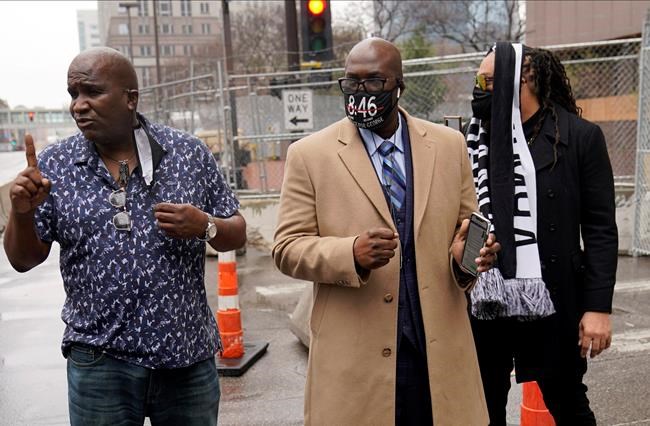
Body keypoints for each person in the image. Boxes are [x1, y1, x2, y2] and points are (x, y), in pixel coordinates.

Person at [3, 47, 246, 426]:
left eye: (92, 93)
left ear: (130, 98)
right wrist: (22, 213)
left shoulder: (188, 154)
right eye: (73, 95)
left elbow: (237, 232)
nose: (78, 106)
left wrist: (204, 226)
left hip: (184, 357)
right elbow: (23, 261)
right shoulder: (56, 165)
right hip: (99, 361)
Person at [273, 37, 499, 425]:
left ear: (398, 87)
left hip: (437, 351)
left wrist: (471, 258)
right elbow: (287, 247)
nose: (361, 92)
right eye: (351, 83)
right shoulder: (310, 155)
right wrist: (349, 254)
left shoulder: (448, 146)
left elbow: (467, 228)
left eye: (374, 82)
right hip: (356, 357)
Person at [466, 42, 618, 425]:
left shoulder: (580, 137)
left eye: (486, 81)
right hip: (486, 302)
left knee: (568, 404)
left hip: (553, 299)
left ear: (524, 80)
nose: (478, 90)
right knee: (482, 410)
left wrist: (598, 308)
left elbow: (600, 228)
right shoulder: (471, 141)